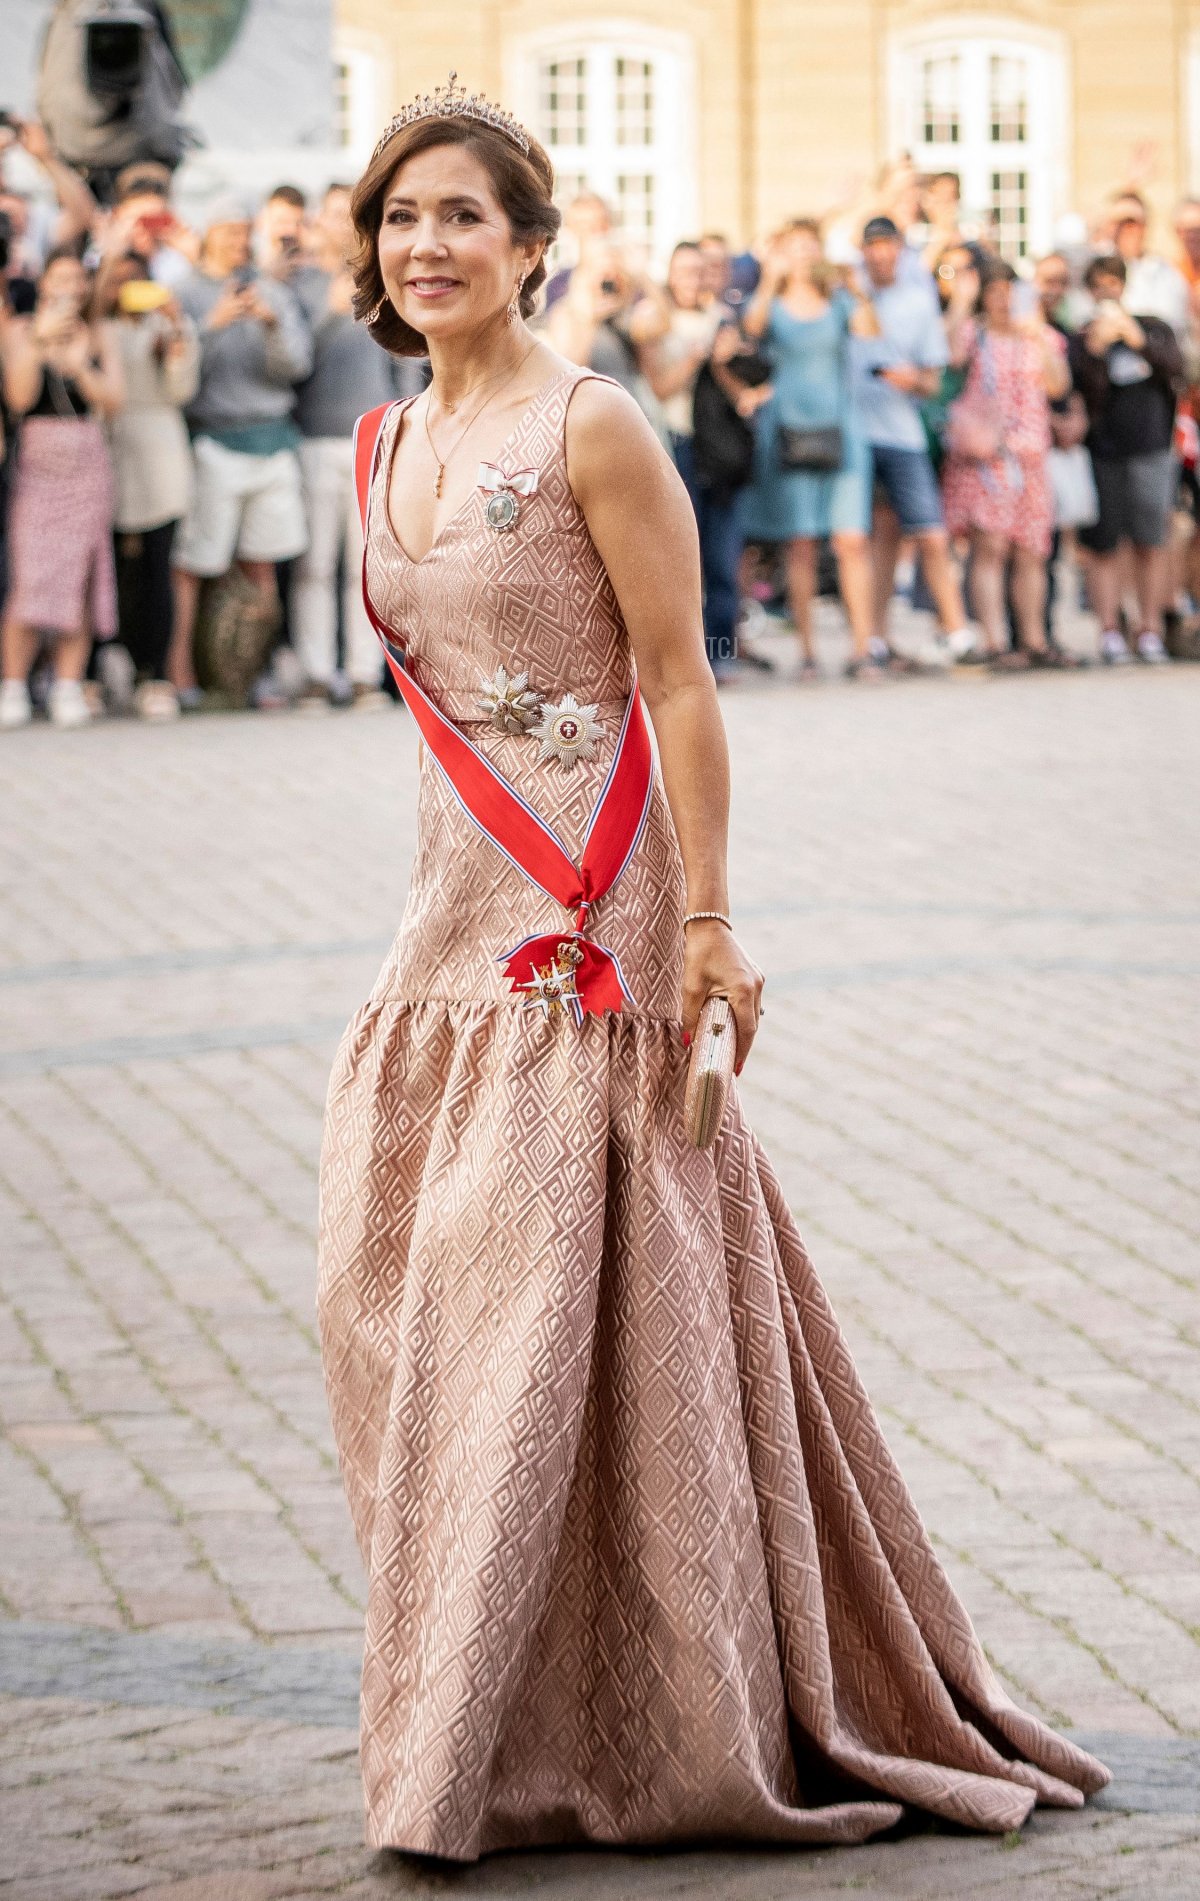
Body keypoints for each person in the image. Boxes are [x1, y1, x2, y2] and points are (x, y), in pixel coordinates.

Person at [316, 82, 1108, 1860]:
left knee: (538, 1320)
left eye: (463, 217)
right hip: (448, 915)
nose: (427, 246)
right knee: (405, 1315)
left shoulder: (594, 426)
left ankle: (619, 1724)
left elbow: (679, 681)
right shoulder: (374, 449)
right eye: (401, 218)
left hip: (592, 919)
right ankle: (494, 1708)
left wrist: (707, 922)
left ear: (530, 245)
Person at [169, 196, 313, 702]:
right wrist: (211, 326)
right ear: (209, 235)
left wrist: (272, 324)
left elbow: (296, 367)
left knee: (263, 561)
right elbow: (176, 377)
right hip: (214, 440)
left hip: (272, 438)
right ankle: (181, 669)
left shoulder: (272, 291)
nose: (238, 241)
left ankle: (256, 671)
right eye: (228, 231)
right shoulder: (184, 294)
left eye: (243, 231)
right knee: (195, 564)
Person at [289, 183, 418, 704]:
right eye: (333, 215)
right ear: (319, 222)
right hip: (315, 439)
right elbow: (293, 364)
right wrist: (328, 312)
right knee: (314, 566)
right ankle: (317, 674)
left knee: (366, 569)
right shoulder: (299, 284)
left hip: (375, 440)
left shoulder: (380, 282)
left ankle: (365, 675)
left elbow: (405, 361)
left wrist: (405, 426)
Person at [738, 220, 877, 676]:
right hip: (789, 431)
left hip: (842, 429)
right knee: (800, 545)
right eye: (793, 247)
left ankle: (863, 648)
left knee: (852, 541)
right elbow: (751, 329)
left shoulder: (838, 301)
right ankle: (809, 651)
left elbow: (870, 330)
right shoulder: (773, 304)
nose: (802, 255)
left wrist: (856, 288)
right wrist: (769, 280)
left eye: (809, 247)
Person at [0, 250, 124, 730]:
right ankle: (13, 683)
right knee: (30, 574)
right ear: (45, 283)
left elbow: (114, 402)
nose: (70, 286)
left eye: (78, 278)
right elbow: (18, 397)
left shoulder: (100, 331)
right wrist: (39, 341)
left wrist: (79, 369)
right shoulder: (18, 329)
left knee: (81, 576)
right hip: (38, 458)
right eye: (61, 278)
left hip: (87, 457)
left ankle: (67, 684)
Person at [856, 215, 974, 665]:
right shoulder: (850, 295)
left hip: (903, 434)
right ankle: (877, 637)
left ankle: (958, 631)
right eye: (873, 246)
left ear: (901, 249)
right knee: (876, 540)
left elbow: (933, 380)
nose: (881, 254)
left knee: (929, 531)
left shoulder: (917, 301)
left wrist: (911, 381)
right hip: (858, 433)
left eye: (889, 245)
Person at [942, 256, 1071, 666]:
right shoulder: (974, 334)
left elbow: (1059, 385)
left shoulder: (1041, 336)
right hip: (987, 456)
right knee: (990, 549)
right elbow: (949, 356)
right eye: (994, 294)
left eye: (1008, 293)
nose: (1002, 302)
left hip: (1031, 457)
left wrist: (1034, 332)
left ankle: (1032, 639)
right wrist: (960, 301)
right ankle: (994, 640)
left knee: (1032, 552)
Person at [636, 241, 745, 677]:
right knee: (681, 556)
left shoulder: (725, 319)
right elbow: (659, 388)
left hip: (719, 448)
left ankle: (721, 651)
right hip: (674, 444)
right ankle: (686, 656)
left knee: (722, 553)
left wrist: (727, 358)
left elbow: (743, 387)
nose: (693, 279)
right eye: (684, 270)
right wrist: (698, 355)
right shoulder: (655, 321)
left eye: (700, 271)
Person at [1069, 254, 1183, 664]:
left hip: (1151, 447)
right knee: (1104, 544)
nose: (1107, 291)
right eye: (1099, 284)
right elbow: (1081, 392)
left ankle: (1149, 629)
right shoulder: (1082, 338)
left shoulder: (1152, 326)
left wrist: (1136, 338)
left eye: (1113, 282)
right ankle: (1109, 631)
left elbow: (1176, 368)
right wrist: (1095, 353)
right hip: (1104, 452)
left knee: (1151, 541)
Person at [103, 254, 200, 718]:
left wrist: (176, 334)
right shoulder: (99, 328)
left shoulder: (169, 326)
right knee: (115, 563)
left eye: (136, 280)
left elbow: (182, 390)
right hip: (110, 446)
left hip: (160, 447)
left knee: (160, 562)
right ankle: (112, 662)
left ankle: (157, 673)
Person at [1106, 191, 1189, 341]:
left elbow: (1174, 328)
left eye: (1131, 222)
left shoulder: (1167, 274)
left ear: (1145, 226)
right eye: (1117, 223)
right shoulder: (1095, 270)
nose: (1124, 229)